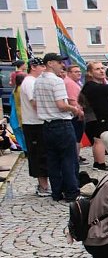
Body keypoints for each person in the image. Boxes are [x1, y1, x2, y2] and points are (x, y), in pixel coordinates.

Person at [34, 53, 83, 202]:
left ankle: (56, 192)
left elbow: (35, 103)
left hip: (47, 125)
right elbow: (61, 105)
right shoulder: (56, 81)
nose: (62, 65)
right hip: (62, 123)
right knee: (69, 159)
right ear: (50, 63)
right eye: (59, 62)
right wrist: (74, 109)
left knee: (53, 160)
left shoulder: (38, 81)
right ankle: (71, 192)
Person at [19, 58, 51, 196]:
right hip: (34, 123)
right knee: (39, 155)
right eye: (42, 66)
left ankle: (44, 184)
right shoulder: (30, 82)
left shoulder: (34, 81)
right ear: (33, 67)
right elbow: (35, 103)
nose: (44, 69)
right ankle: (43, 186)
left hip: (38, 122)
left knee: (43, 154)